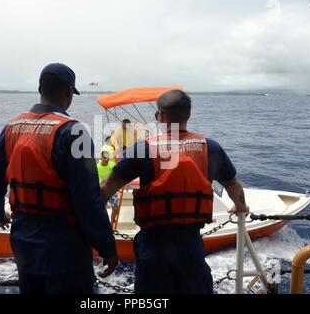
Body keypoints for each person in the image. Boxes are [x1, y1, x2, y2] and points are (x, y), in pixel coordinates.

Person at [0, 63, 118, 294]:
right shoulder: (75, 132)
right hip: (65, 252)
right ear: (68, 93)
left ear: (39, 88)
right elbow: (88, 200)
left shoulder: (11, 127)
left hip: (24, 248)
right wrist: (107, 247)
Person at [101, 90, 249, 294]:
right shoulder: (211, 148)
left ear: (160, 116)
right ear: (188, 115)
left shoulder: (143, 149)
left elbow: (105, 190)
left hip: (154, 247)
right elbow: (232, 185)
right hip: (191, 247)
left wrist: (96, 232)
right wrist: (240, 206)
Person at [97, 151, 118, 226]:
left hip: (112, 189)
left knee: (115, 208)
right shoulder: (97, 167)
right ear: (101, 158)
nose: (107, 159)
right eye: (104, 158)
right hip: (102, 190)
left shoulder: (112, 165)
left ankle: (111, 225)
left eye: (108, 158)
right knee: (102, 209)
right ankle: (103, 224)